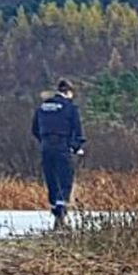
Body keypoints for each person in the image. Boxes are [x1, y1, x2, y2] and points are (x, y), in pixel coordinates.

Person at [31, 79, 85, 227]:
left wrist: (44, 142)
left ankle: (55, 209)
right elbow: (78, 132)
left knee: (51, 180)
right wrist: (75, 147)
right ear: (69, 92)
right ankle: (61, 214)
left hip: (46, 147)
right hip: (62, 146)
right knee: (65, 180)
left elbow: (35, 129)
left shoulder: (42, 107)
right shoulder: (70, 108)